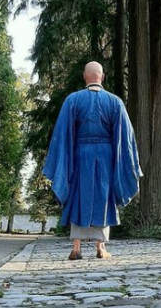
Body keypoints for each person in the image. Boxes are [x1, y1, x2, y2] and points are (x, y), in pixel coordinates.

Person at [42, 61, 142, 260]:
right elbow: (125, 138)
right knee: (104, 197)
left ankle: (76, 247)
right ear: (102, 77)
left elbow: (62, 134)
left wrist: (64, 162)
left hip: (80, 155)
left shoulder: (73, 100)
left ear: (84, 76)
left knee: (78, 195)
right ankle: (100, 247)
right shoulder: (115, 102)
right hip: (105, 156)